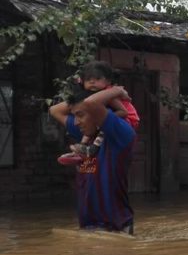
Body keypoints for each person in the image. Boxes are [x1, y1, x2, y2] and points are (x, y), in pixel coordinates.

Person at [49, 85, 136, 233]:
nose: (76, 122)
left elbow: (91, 102)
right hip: (88, 229)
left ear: (99, 112)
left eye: (80, 115)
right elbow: (54, 110)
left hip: (116, 230)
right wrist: (81, 98)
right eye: (74, 115)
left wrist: (118, 91)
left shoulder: (119, 134)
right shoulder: (86, 134)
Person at [57, 61, 140, 165]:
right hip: (112, 120)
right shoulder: (92, 97)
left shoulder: (108, 94)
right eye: (88, 80)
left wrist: (103, 120)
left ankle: (91, 149)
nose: (92, 82)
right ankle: (81, 150)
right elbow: (55, 110)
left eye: (97, 79)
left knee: (100, 127)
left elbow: (124, 112)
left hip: (128, 120)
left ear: (108, 81)